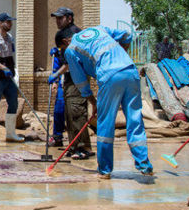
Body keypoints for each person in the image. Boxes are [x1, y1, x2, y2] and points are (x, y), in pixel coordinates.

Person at [63, 26, 154, 179]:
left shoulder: (70, 49)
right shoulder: (99, 29)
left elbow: (80, 82)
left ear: (67, 40)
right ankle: (144, 165)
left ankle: (104, 170)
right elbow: (126, 34)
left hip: (109, 76)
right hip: (130, 71)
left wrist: (92, 101)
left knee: (105, 123)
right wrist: (123, 52)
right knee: (135, 120)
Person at [48, 7, 90, 157]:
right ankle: (74, 146)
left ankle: (83, 148)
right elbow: (64, 59)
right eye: (56, 18)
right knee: (69, 113)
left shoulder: (76, 34)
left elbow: (71, 62)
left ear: (69, 18)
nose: (57, 21)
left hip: (78, 77)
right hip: (69, 79)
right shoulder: (60, 35)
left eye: (61, 18)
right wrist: (57, 52)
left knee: (77, 112)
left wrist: (56, 75)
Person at [0, 12, 24, 145]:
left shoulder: (10, 38)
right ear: (1, 23)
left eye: (11, 22)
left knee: (13, 102)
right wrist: (3, 68)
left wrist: (11, 69)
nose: (10, 24)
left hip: (9, 77)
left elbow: (10, 56)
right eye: (8, 22)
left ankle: (11, 134)